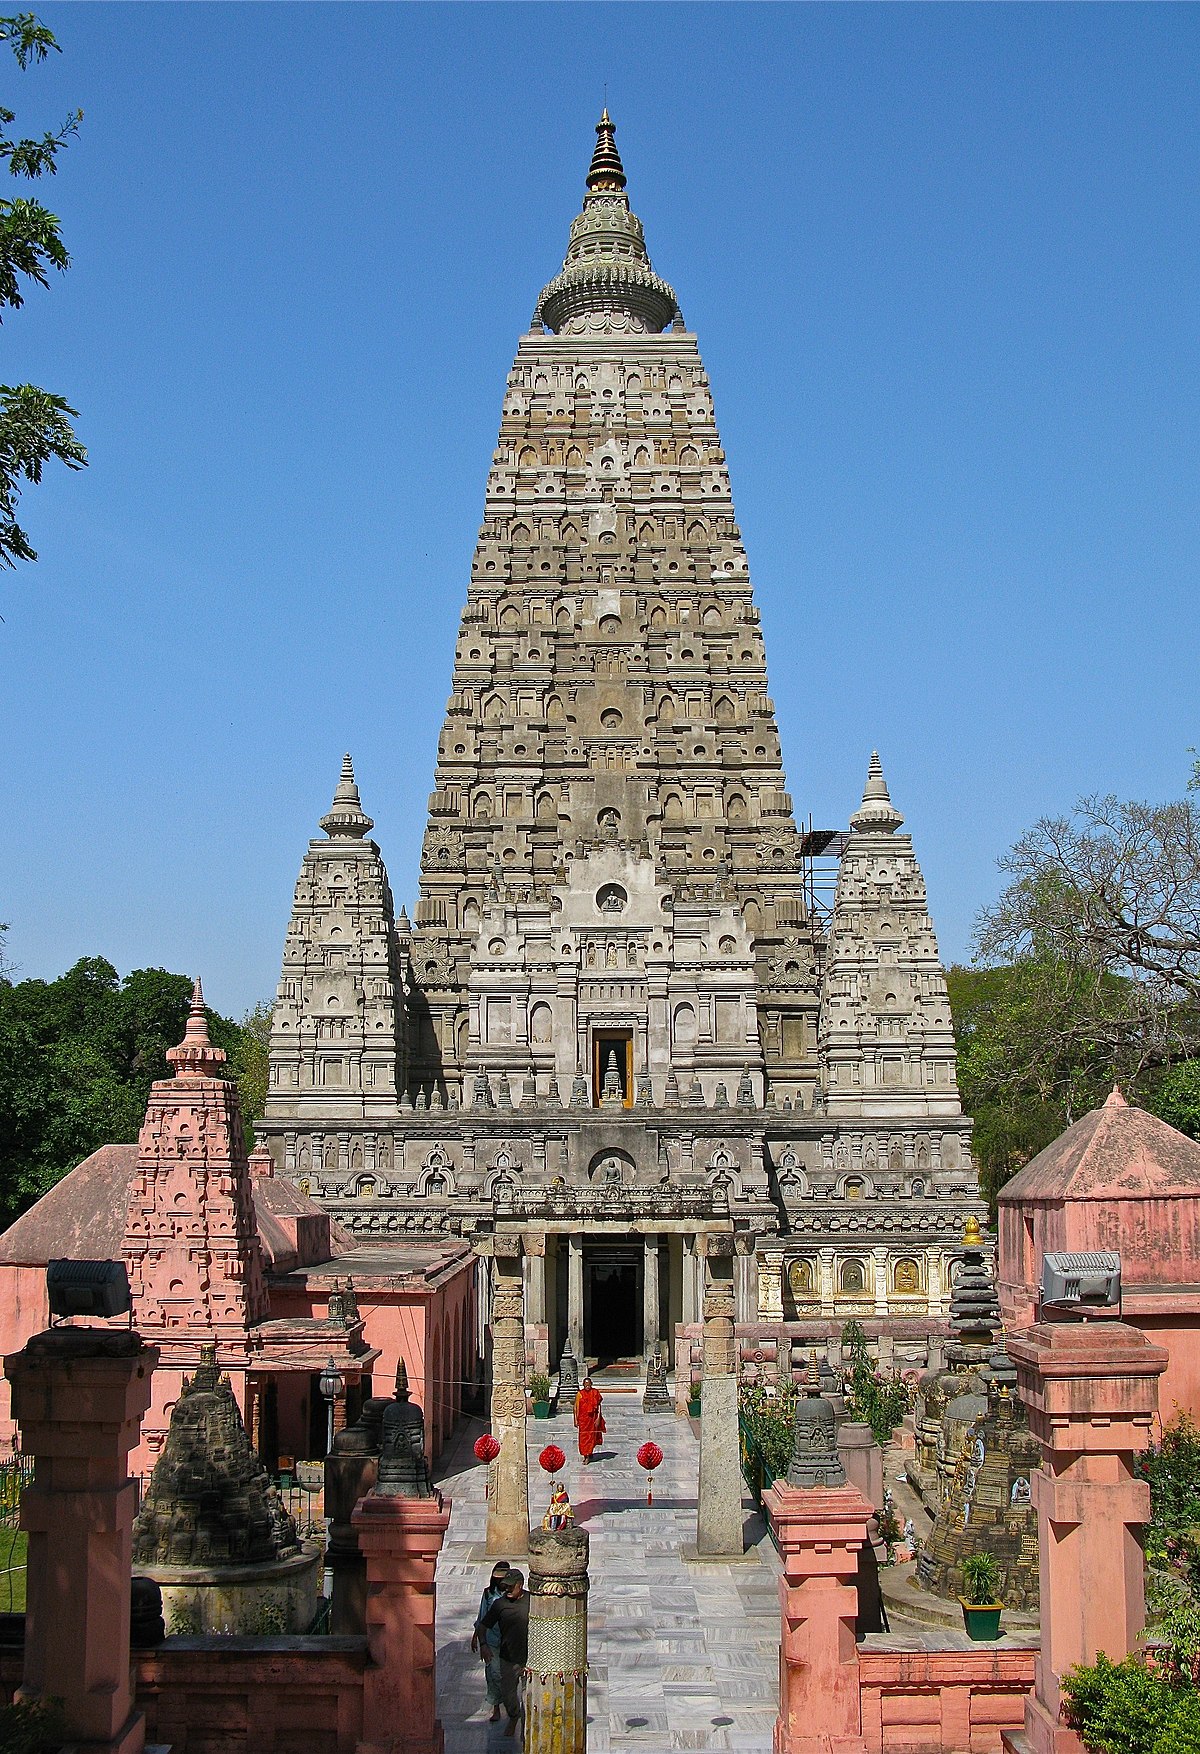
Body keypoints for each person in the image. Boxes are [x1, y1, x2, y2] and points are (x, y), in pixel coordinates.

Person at [480, 1568, 529, 1739]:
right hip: (508, 1657)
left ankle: (526, 1727)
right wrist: (484, 1644)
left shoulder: (533, 1601)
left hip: (530, 1659)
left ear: (520, 1585)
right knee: (508, 1695)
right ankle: (514, 1716)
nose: (507, 1590)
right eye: (505, 1587)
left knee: (528, 1696)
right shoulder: (500, 1604)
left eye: (511, 1587)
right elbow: (482, 1626)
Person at [469, 1559, 510, 1723]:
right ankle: (496, 1707)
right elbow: (482, 1616)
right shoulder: (488, 1594)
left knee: (508, 1674)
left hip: (509, 1640)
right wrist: (477, 1636)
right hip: (492, 1639)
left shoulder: (512, 1594)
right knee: (493, 1674)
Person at [573, 1376, 605, 1464]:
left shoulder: (595, 1392)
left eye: (589, 1384)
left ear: (591, 1384)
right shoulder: (579, 1394)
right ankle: (585, 1455)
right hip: (583, 1420)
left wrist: (598, 1418)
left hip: (592, 1419)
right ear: (583, 1385)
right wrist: (575, 1420)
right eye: (586, 1384)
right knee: (583, 1438)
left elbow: (599, 1405)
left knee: (592, 1437)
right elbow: (575, 1408)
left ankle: (589, 1453)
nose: (587, 1386)